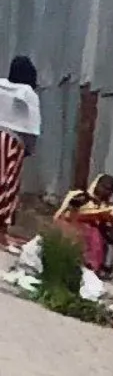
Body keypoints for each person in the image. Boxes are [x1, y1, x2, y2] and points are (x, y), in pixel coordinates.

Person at [0, 55, 41, 245]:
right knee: (7, 186)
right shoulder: (28, 93)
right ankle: (1, 232)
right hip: (12, 143)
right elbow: (31, 127)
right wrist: (29, 151)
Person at [54, 173, 113, 276]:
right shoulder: (79, 196)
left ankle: (102, 266)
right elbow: (65, 214)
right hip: (72, 228)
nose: (105, 191)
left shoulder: (111, 209)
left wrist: (108, 222)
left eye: (110, 189)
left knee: (99, 232)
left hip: (96, 236)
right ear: (97, 184)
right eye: (103, 187)